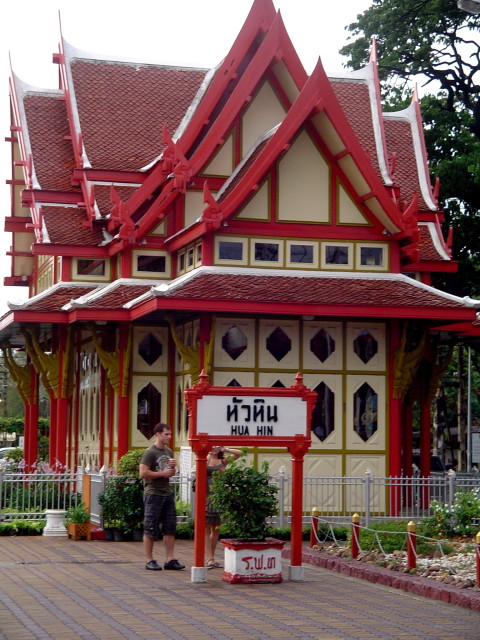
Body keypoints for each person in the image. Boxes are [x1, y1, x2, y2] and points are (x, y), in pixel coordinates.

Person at [139, 422, 185, 571]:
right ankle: (149, 559)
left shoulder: (168, 451)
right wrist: (162, 473)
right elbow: (143, 473)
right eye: (166, 434)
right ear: (157, 434)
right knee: (150, 527)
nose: (169, 437)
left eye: (170, 434)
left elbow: (169, 471)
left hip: (167, 492)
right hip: (153, 493)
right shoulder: (150, 452)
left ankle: (169, 559)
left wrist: (173, 467)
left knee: (170, 527)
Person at [205, 445, 241, 569]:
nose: (215, 448)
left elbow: (239, 453)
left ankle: (212, 558)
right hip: (206, 496)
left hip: (218, 497)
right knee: (206, 527)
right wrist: (210, 453)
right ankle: (209, 558)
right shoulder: (205, 457)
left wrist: (226, 449)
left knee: (216, 529)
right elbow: (202, 468)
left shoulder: (223, 461)